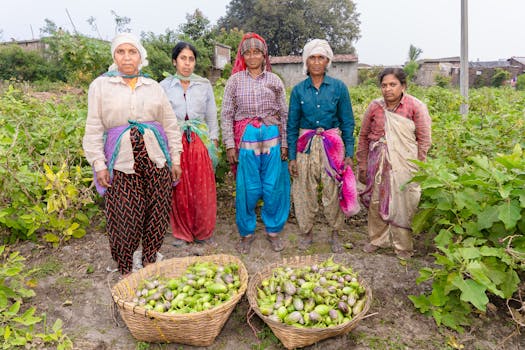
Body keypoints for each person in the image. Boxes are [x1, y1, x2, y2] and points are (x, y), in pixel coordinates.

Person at [83, 33, 183, 277]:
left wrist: (176, 158)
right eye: (121, 52)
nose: (127, 57)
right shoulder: (101, 86)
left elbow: (170, 124)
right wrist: (98, 163)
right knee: (124, 216)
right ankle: (126, 266)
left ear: (141, 56)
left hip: (155, 159)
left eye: (132, 52)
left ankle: (150, 258)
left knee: (157, 212)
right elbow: (94, 127)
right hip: (121, 161)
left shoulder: (153, 86)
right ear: (114, 56)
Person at [221, 32, 290, 254]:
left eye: (257, 52)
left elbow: (284, 114)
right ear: (243, 56)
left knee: (272, 186)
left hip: (271, 136)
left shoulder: (274, 80)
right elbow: (226, 114)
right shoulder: (235, 81)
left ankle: (273, 230)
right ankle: (247, 232)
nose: (252, 57)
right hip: (247, 137)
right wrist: (230, 145)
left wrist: (285, 143)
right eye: (248, 53)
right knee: (247, 188)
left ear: (264, 55)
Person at [287, 39, 356, 254]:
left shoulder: (339, 88)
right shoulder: (298, 91)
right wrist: (292, 156)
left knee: (333, 188)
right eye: (312, 58)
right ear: (306, 61)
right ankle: (306, 232)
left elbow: (347, 121)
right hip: (305, 144)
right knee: (303, 188)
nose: (316, 62)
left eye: (321, 58)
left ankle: (335, 232)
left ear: (328, 61)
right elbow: (292, 125)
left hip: (332, 144)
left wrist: (349, 152)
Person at [357, 68, 432, 259]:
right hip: (378, 159)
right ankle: (377, 240)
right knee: (376, 200)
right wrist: (363, 163)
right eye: (384, 85)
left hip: (404, 162)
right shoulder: (375, 107)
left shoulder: (415, 106)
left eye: (393, 84)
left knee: (403, 202)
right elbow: (364, 136)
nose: (388, 89)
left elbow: (424, 139)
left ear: (403, 86)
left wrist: (419, 165)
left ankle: (403, 246)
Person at [160, 42, 219, 247]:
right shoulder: (164, 86)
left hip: (199, 140)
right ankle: (182, 233)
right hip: (175, 140)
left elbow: (211, 115)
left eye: (191, 59)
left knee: (203, 187)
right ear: (174, 61)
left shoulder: (203, 85)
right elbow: (160, 117)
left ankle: (203, 231)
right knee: (179, 187)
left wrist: (214, 140)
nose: (187, 63)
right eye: (183, 58)